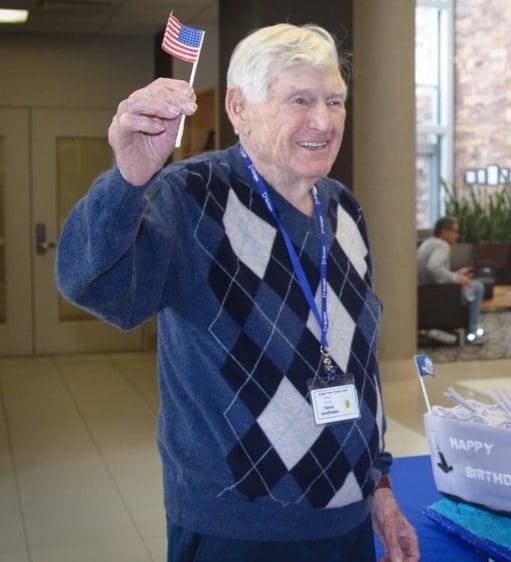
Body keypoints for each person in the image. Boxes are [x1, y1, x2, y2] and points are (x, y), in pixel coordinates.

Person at [56, 24, 418, 562]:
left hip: (346, 519)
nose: (323, 120)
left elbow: (357, 366)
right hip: (240, 529)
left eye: (334, 100)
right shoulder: (188, 199)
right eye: (299, 99)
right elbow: (95, 284)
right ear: (239, 106)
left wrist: (380, 490)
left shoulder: (344, 209)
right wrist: (127, 183)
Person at [416, 216, 486, 344]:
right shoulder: (443, 245)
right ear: (444, 232)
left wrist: (457, 274)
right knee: (477, 287)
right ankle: (472, 332)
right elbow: (433, 267)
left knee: (469, 285)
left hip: (428, 292)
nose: (457, 236)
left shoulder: (428, 242)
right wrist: (456, 278)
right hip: (441, 295)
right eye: (455, 231)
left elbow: (434, 271)